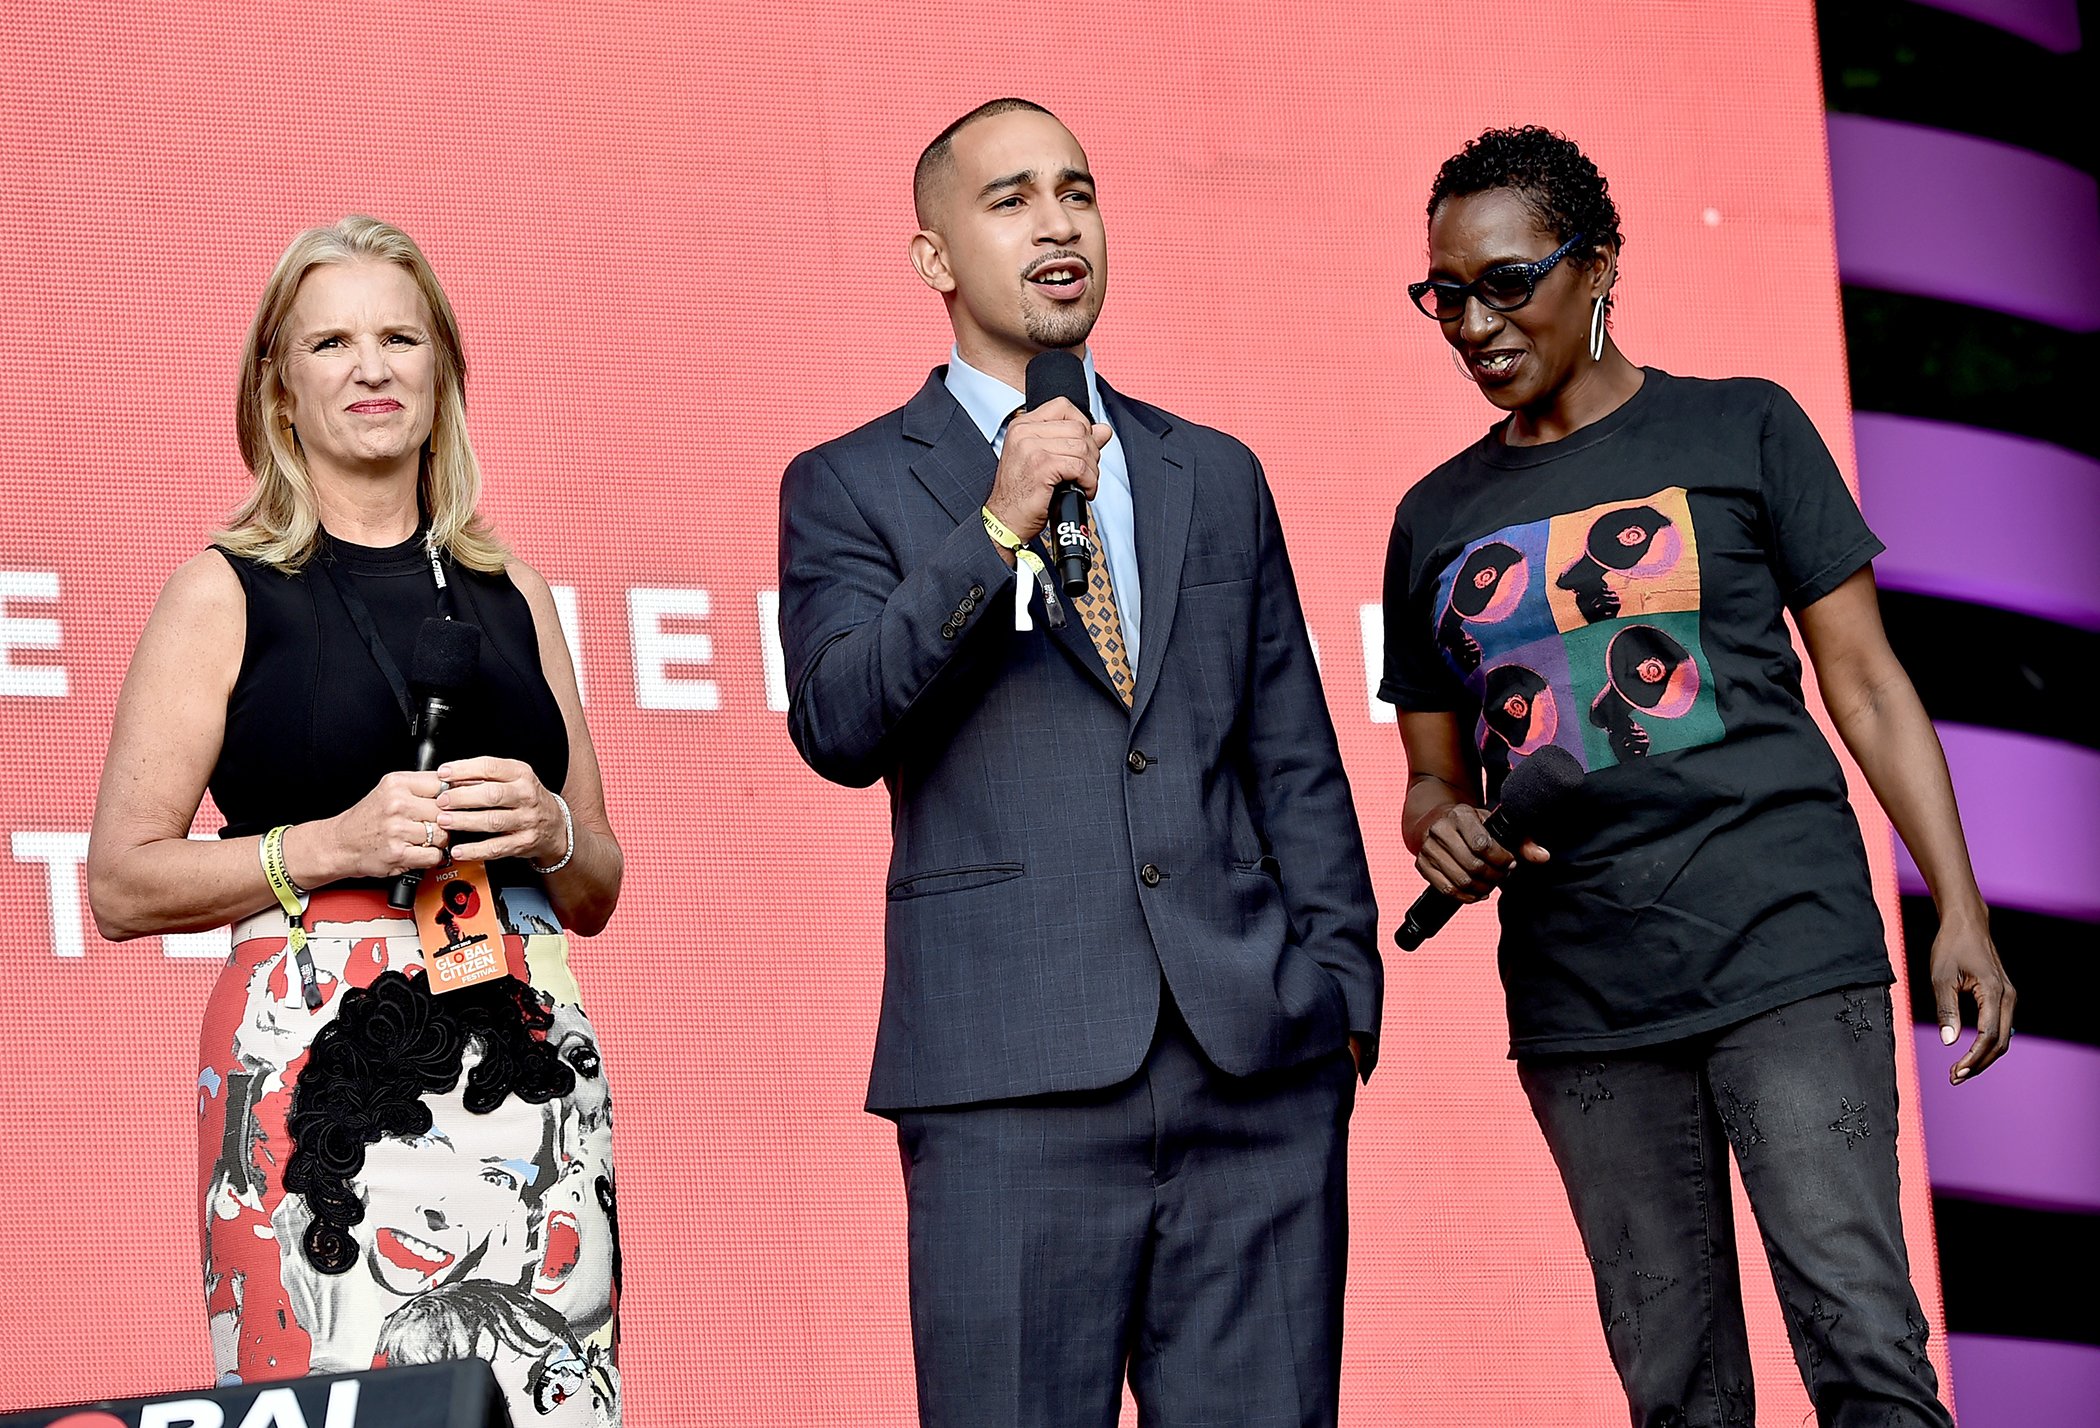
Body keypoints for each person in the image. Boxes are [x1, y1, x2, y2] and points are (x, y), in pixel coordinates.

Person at [1379, 126, 2013, 1428]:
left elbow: (1871, 684)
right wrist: (1443, 828)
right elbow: (1432, 778)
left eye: (1508, 281)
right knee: (1679, 1398)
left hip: (1787, 954)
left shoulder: (1742, 426)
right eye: (1446, 292)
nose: (1473, 321)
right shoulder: (1429, 520)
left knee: (1866, 1361)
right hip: (1584, 1007)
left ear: (1597, 267)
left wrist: (1959, 902)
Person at [777, 99, 1381, 1428]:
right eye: (1009, 200)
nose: (1057, 223)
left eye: (1078, 192)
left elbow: (1292, 758)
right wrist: (995, 524)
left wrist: (1338, 995)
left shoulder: (1210, 474)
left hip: (1256, 1075)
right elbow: (838, 721)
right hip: (1008, 1081)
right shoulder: (853, 483)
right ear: (934, 257)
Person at [86, 217, 624, 1421]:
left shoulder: (511, 587)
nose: (372, 368)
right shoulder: (223, 587)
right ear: (279, 387)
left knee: (546, 1396)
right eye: (332, 341)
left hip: (526, 1068)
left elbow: (597, 883)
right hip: (313, 1063)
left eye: (400, 336)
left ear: (443, 371)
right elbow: (119, 884)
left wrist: (548, 829)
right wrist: (332, 846)